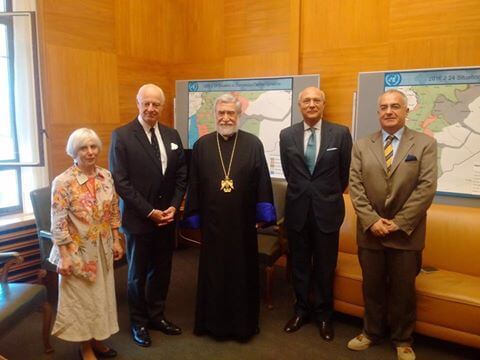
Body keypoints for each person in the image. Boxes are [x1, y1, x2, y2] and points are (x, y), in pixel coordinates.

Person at [347, 89, 437, 360]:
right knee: (371, 286)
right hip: (370, 232)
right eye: (384, 107)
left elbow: (426, 187)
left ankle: (402, 339)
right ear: (378, 112)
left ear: (406, 110)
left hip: (406, 233)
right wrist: (372, 221)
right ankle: (371, 332)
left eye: (395, 106)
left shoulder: (424, 144)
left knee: (403, 290)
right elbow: (356, 186)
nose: (389, 111)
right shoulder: (362, 145)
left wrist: (397, 223)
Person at [183, 93, 275, 342]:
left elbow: (262, 181)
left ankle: (242, 326)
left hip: (242, 223)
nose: (225, 118)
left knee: (241, 272)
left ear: (239, 115)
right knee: (213, 273)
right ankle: (211, 324)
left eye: (230, 113)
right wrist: (194, 216)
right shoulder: (202, 145)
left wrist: (263, 214)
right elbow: (195, 184)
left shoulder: (253, 144)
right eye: (221, 113)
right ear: (215, 116)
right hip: (213, 225)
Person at [109, 84, 187, 347]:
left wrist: (173, 208)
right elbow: (121, 182)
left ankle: (157, 315)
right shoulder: (122, 136)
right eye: (147, 103)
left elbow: (181, 176)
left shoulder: (171, 134)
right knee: (137, 274)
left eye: (156, 104)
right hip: (139, 220)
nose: (151, 108)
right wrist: (150, 212)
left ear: (162, 107)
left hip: (167, 219)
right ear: (138, 102)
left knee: (162, 270)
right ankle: (138, 322)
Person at [279, 86, 352, 341]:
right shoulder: (286, 135)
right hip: (297, 210)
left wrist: (325, 194)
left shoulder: (340, 134)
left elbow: (344, 174)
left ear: (323, 104)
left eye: (316, 100)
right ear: (300, 105)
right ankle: (300, 310)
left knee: (324, 266)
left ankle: (323, 315)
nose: (311, 104)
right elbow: (290, 173)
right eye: (307, 100)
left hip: (327, 211)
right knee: (299, 264)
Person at [49, 128, 124, 360]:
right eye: (84, 147)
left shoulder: (105, 176)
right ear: (74, 151)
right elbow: (58, 220)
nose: (90, 152)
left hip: (102, 248)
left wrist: (116, 238)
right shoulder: (63, 182)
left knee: (101, 297)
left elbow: (112, 209)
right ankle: (85, 347)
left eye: (93, 147)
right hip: (76, 251)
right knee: (82, 301)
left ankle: (98, 340)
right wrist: (64, 255)